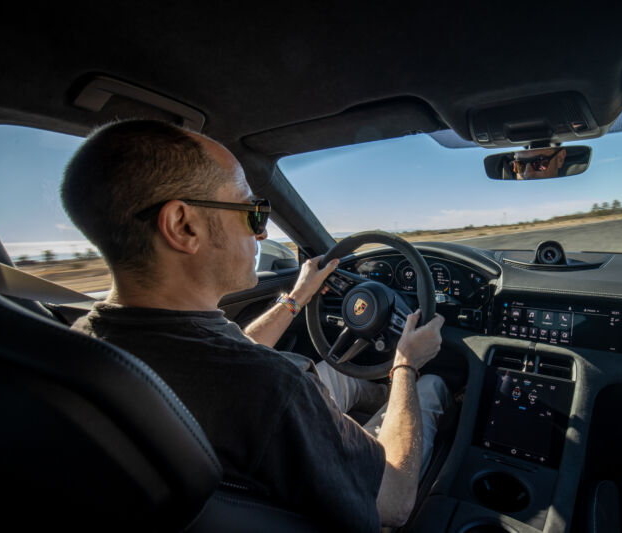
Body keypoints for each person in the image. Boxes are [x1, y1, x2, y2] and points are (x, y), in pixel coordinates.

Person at [60, 119, 450, 531]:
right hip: (359, 497)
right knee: (430, 387)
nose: (262, 234)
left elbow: (230, 356)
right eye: (253, 213)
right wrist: (405, 364)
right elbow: (395, 500)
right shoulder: (271, 386)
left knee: (337, 373)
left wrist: (296, 298)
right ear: (183, 226)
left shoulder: (85, 343)